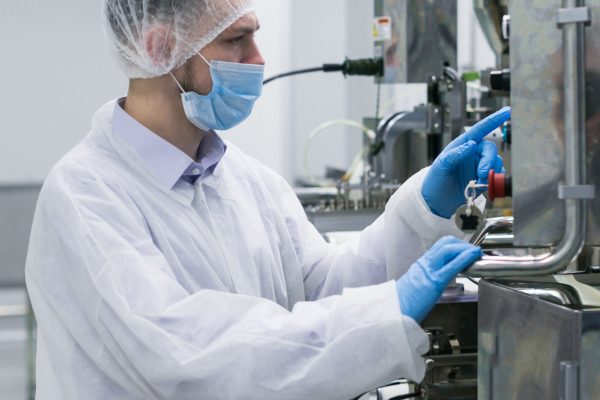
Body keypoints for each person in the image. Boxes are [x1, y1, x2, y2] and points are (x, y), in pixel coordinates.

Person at [25, 1, 510, 399]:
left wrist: (425, 208)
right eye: (237, 40)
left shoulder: (243, 176)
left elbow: (323, 287)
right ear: (160, 48)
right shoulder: (87, 196)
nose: (258, 60)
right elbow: (192, 358)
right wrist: (384, 314)